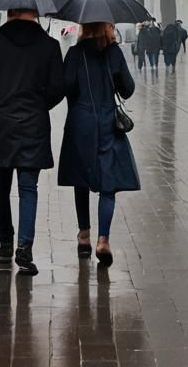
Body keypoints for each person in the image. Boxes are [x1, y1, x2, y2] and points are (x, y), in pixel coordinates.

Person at [0, 7, 64, 275]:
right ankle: (25, 246)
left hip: (0, 123)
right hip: (33, 124)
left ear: (9, 11)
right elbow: (58, 88)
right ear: (35, 13)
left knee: (1, 183)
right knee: (28, 186)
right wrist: (37, 107)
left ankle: (5, 244)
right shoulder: (49, 45)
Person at [58, 22, 140, 268]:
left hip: (80, 122)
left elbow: (66, 87)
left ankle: (84, 235)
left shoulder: (75, 53)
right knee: (108, 182)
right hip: (107, 122)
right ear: (107, 27)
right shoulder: (113, 52)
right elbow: (128, 89)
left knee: (80, 178)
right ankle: (103, 239)